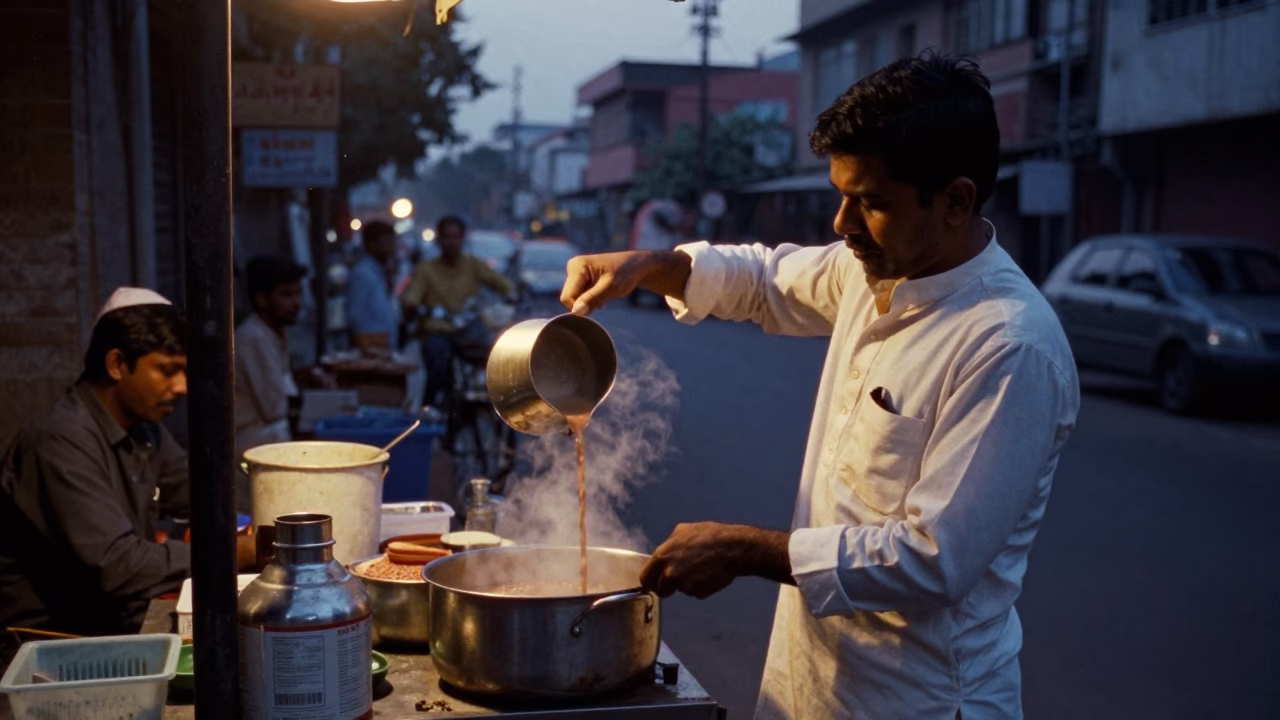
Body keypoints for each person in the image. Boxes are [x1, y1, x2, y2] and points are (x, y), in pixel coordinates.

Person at [560, 52, 1080, 720]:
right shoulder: (878, 269)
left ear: (955, 200)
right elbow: (764, 282)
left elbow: (932, 558)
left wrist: (743, 550)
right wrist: (644, 266)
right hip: (810, 677)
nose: (842, 225)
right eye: (841, 195)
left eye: (871, 203)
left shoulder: (1009, 343)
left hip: (915, 700)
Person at [0, 289, 256, 643]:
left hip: (109, 621)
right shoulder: (59, 441)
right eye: (167, 371)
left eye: (185, 371)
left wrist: (262, 517)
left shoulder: (145, 430)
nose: (182, 387)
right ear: (117, 364)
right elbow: (117, 564)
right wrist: (228, 553)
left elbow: (202, 492)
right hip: (52, 643)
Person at [234, 255, 334, 511]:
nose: (296, 302)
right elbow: (274, 407)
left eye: (298, 294)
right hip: (252, 441)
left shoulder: (274, 332)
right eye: (286, 295)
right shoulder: (253, 337)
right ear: (262, 299)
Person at [402, 215, 515, 408]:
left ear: (463, 239)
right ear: (438, 239)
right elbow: (412, 298)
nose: (451, 243)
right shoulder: (425, 270)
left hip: (469, 331)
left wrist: (512, 294)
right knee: (437, 365)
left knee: (500, 356)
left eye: (456, 237)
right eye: (446, 237)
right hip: (437, 332)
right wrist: (413, 307)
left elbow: (501, 283)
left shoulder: (473, 265)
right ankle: (429, 407)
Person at [345, 220, 400, 351]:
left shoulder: (379, 271)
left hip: (383, 347)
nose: (392, 248)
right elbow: (355, 316)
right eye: (387, 243)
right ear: (372, 244)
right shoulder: (363, 273)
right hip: (371, 350)